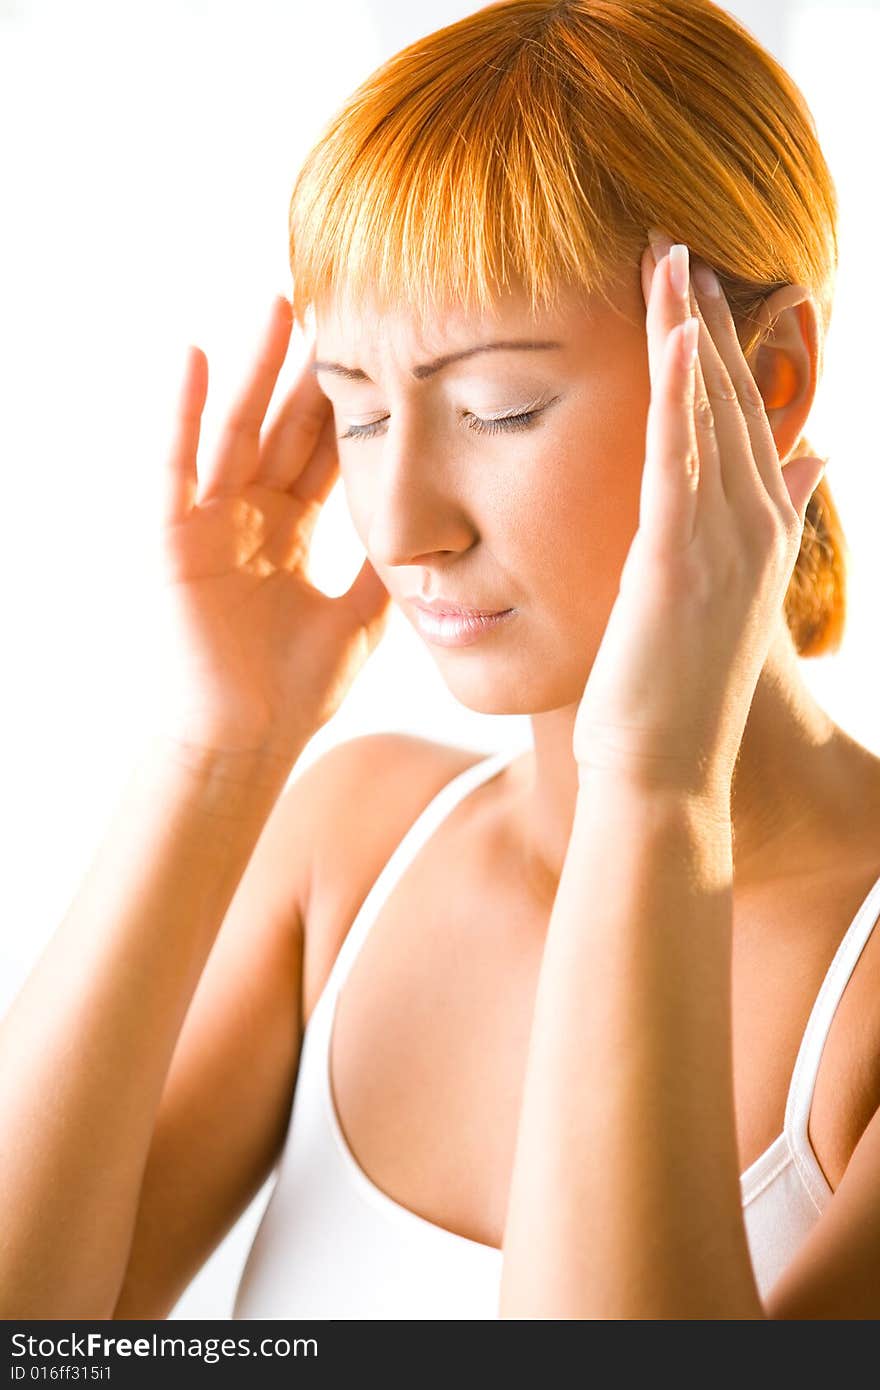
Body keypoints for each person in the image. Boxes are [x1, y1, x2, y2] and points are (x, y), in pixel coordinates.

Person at [2, 0, 879, 1321]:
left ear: (770, 377)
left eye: (496, 409)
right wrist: (214, 755)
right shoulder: (352, 848)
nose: (401, 525)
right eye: (355, 412)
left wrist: (648, 795)